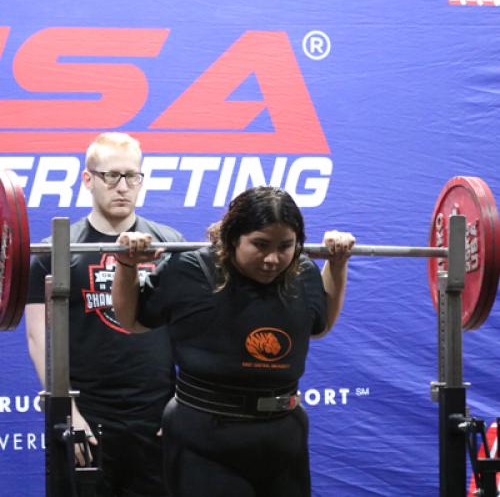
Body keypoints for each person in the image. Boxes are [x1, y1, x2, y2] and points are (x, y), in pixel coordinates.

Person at [112, 186, 355, 497]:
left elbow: (319, 327)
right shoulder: (192, 270)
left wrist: (337, 265)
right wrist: (127, 264)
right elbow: (132, 321)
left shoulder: (302, 273)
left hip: (283, 436)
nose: (272, 259)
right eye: (260, 244)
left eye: (286, 246)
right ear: (232, 237)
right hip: (205, 440)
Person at [25, 132, 184, 497]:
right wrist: (67, 412)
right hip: (87, 418)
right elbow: (39, 340)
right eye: (111, 176)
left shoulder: (170, 244)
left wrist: (180, 409)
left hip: (155, 418)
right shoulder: (56, 252)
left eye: (132, 176)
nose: (123, 186)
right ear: (88, 179)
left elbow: (190, 332)